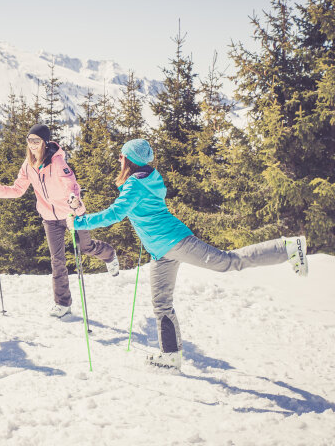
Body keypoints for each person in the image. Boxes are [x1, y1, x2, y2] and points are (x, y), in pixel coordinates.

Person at [67, 138, 308, 370]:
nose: (119, 159)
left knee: (228, 261)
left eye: (121, 155)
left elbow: (115, 214)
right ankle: (170, 356)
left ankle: (288, 248)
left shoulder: (135, 185)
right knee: (162, 303)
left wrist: (80, 223)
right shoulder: (148, 178)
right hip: (161, 253)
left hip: (176, 242)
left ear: (130, 159)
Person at [0, 124, 119, 319]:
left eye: (36, 141)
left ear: (45, 142)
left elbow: (70, 183)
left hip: (71, 213)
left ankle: (109, 255)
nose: (32, 144)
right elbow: (18, 189)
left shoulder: (57, 162)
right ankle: (62, 303)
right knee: (57, 260)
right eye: (30, 140)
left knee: (86, 247)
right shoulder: (28, 165)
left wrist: (73, 198)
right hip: (49, 218)